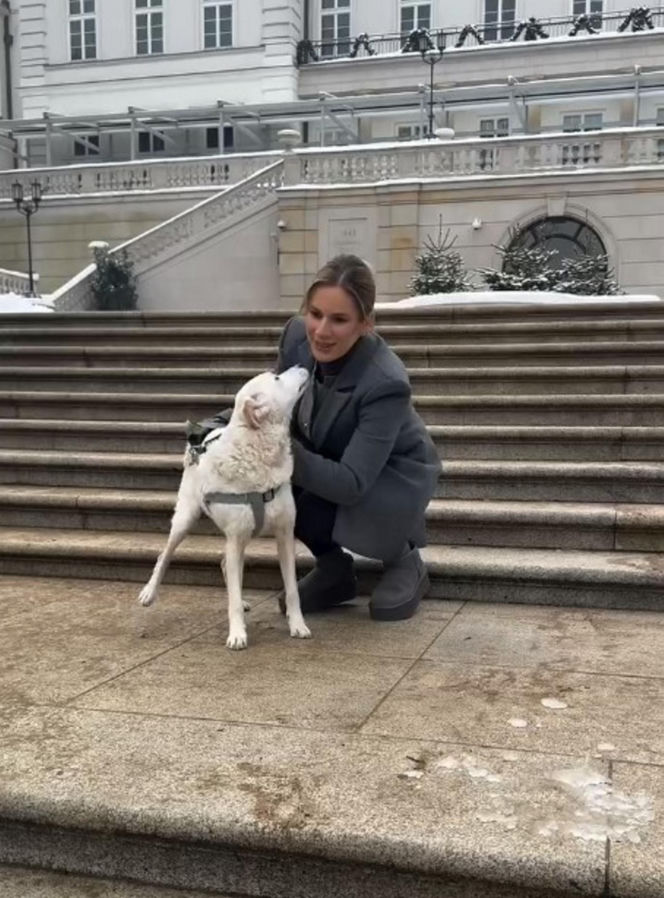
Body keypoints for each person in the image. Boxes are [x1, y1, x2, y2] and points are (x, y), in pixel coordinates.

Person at [188, 254, 441, 621]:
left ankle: (403, 557)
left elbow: (354, 483)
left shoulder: (386, 382)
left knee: (296, 477)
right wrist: (214, 427)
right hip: (328, 448)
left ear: (365, 324)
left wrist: (274, 446)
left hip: (391, 474)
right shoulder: (295, 336)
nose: (321, 331)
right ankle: (334, 570)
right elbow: (271, 404)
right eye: (316, 313)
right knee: (284, 495)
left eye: (339, 320)